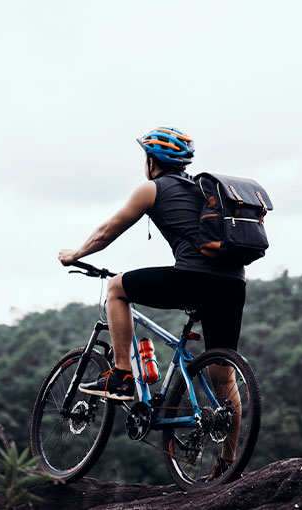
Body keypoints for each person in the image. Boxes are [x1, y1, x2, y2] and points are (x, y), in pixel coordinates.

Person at [57, 127, 246, 474]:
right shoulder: (202, 190)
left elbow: (106, 231)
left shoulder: (152, 188)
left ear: (151, 161)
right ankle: (228, 463)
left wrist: (76, 254)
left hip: (193, 278)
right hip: (233, 283)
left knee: (116, 288)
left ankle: (123, 375)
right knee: (224, 374)